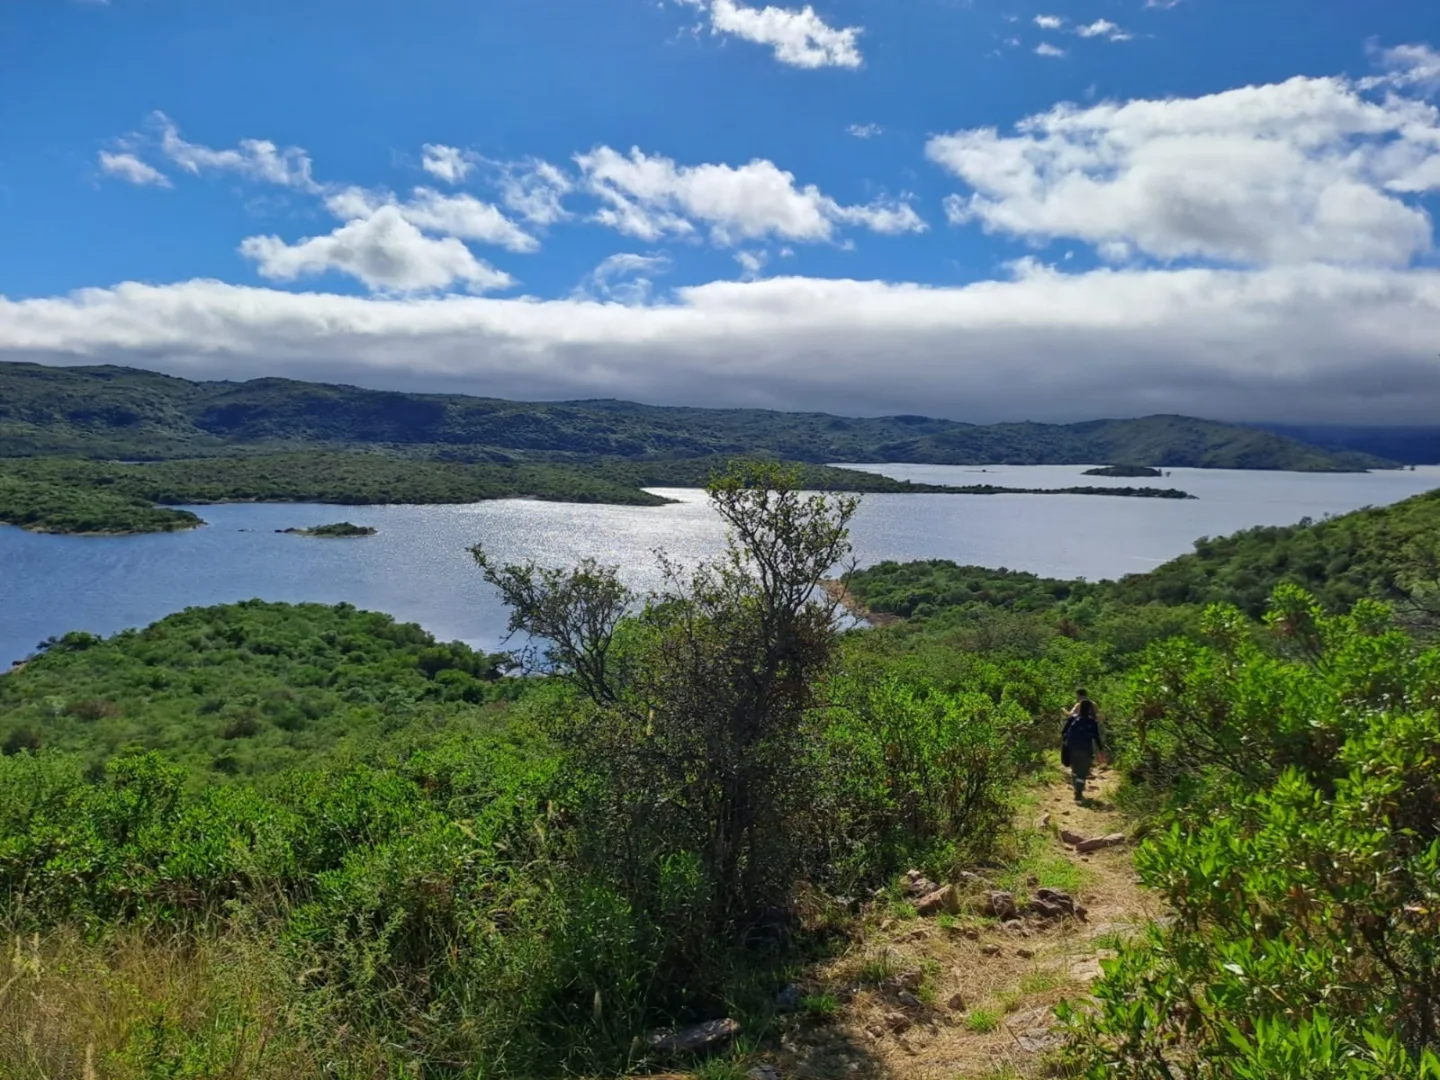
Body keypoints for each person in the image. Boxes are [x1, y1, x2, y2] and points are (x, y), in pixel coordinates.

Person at [1062, 688, 1106, 802]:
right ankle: (1079, 791)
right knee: (1083, 771)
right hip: (1087, 747)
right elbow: (1096, 735)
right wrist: (1101, 750)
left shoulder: (1075, 713)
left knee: (1074, 769)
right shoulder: (1093, 710)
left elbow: (1065, 730)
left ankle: (1076, 789)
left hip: (1073, 747)